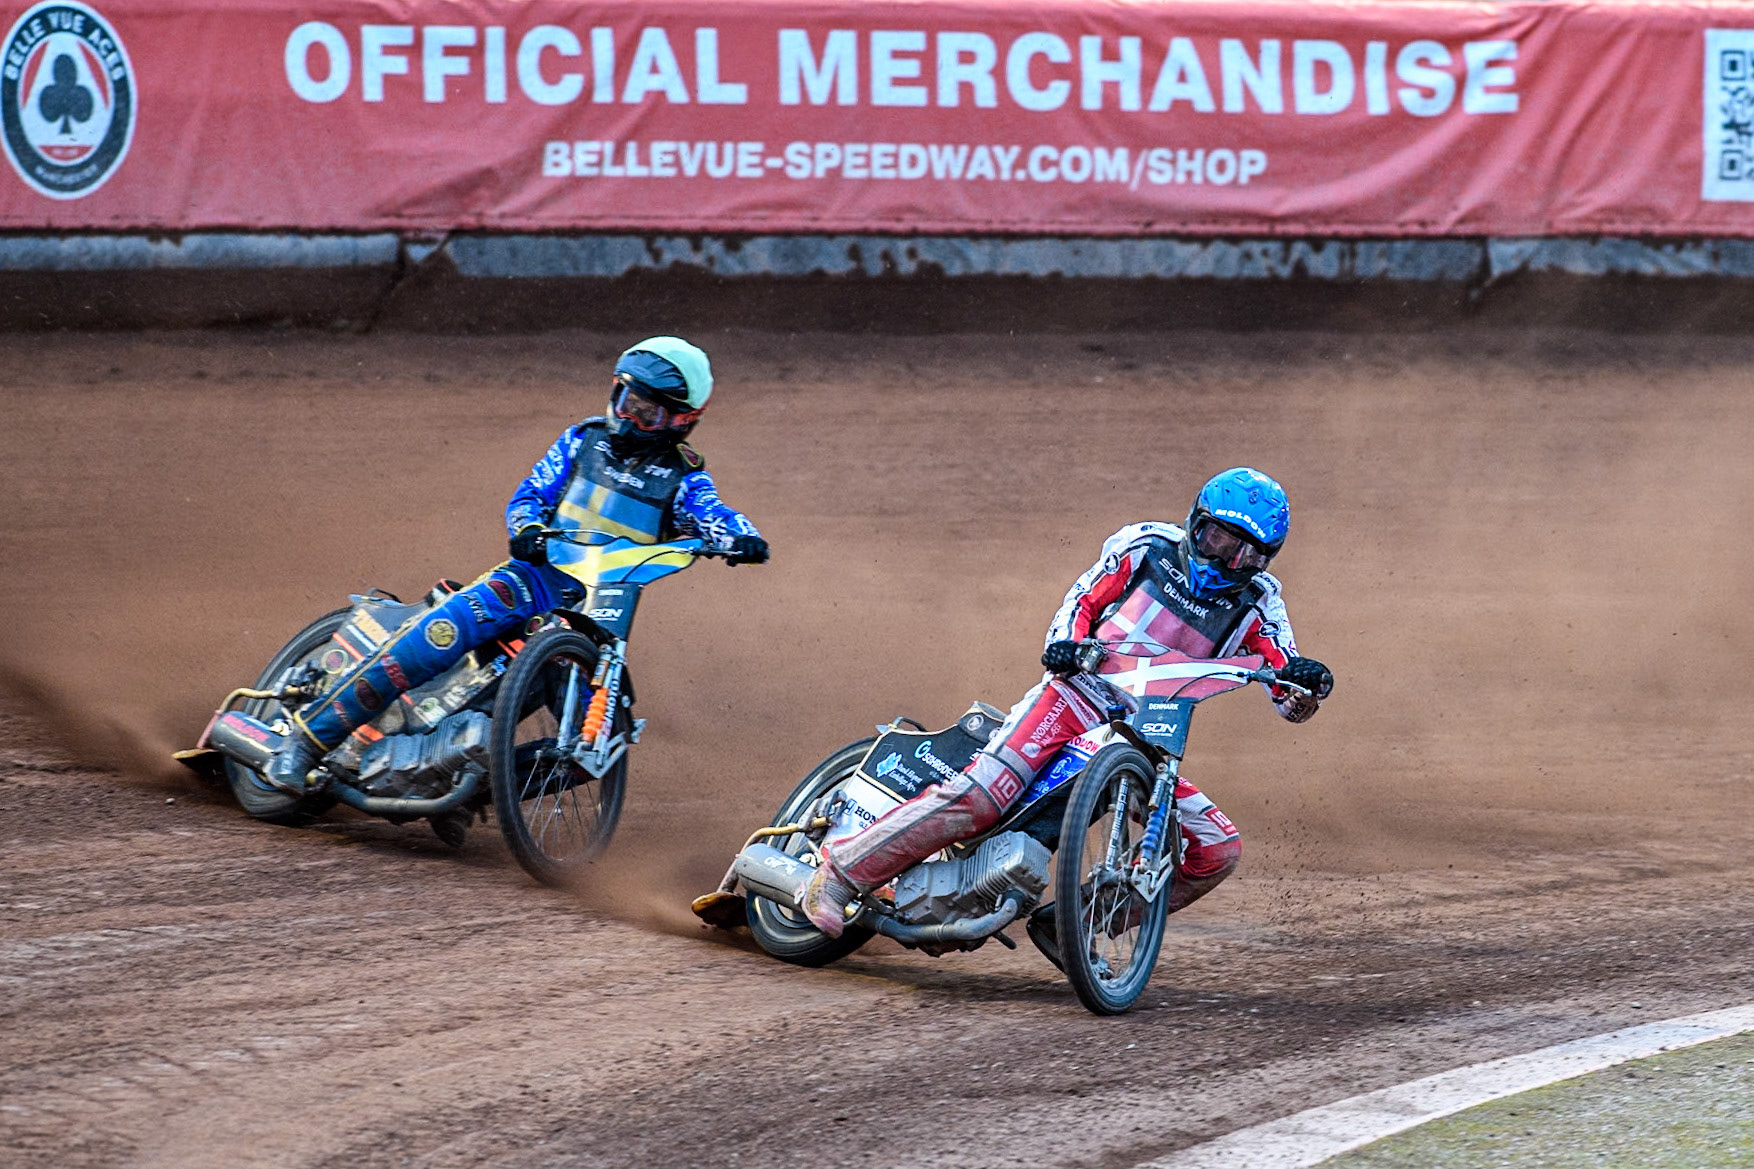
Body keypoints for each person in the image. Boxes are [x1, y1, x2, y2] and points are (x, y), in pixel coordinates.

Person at [798, 466, 1332, 950]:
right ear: (1195, 523)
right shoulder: (1146, 546)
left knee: (1218, 849)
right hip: (1075, 695)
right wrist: (1065, 645)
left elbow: (1286, 689)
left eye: (1246, 554)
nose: (1225, 560)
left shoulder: (1261, 601)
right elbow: (1081, 602)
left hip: (1148, 733)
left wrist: (1305, 685)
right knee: (983, 799)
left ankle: (1073, 923)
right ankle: (839, 874)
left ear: (1266, 558)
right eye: (1217, 540)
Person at [263, 336, 769, 795]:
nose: (629, 419)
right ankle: (303, 744)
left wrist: (742, 537)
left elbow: (714, 515)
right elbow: (531, 494)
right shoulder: (581, 441)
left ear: (682, 420)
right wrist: (526, 527)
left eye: (647, 414)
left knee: (599, 742)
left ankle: (476, 788)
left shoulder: (684, 478)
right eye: (625, 401)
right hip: (529, 581)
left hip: (600, 616)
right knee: (433, 638)